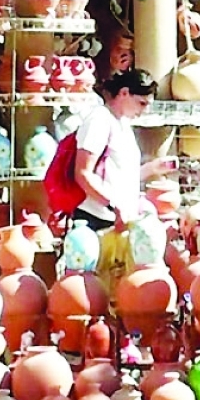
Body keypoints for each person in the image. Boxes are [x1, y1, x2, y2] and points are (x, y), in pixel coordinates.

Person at [74, 68, 176, 294]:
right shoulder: (100, 120)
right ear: (124, 93)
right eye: (141, 103)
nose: (144, 110)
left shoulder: (123, 124)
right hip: (97, 221)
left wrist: (154, 168)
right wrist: (112, 204)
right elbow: (82, 172)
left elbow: (121, 175)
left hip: (118, 221)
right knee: (97, 292)